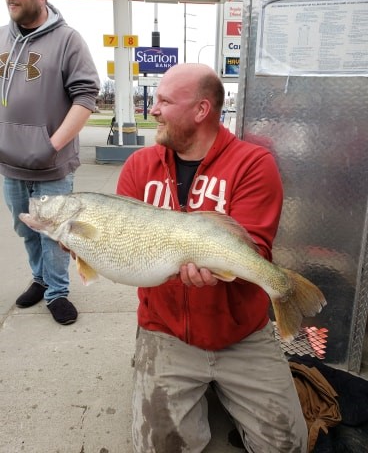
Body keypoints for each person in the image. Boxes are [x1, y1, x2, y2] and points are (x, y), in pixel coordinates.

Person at [116, 63, 308, 452]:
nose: (153, 109)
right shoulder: (139, 166)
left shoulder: (253, 164)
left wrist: (244, 275)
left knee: (287, 445)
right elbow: (123, 246)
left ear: (201, 110)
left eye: (165, 101)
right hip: (165, 330)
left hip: (242, 333)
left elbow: (255, 248)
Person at [0, 0, 100, 325]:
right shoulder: (2, 40)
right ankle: (40, 280)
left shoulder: (68, 41)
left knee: (55, 234)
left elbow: (86, 98)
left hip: (51, 165)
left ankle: (58, 292)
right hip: (9, 162)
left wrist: (50, 146)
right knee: (24, 229)